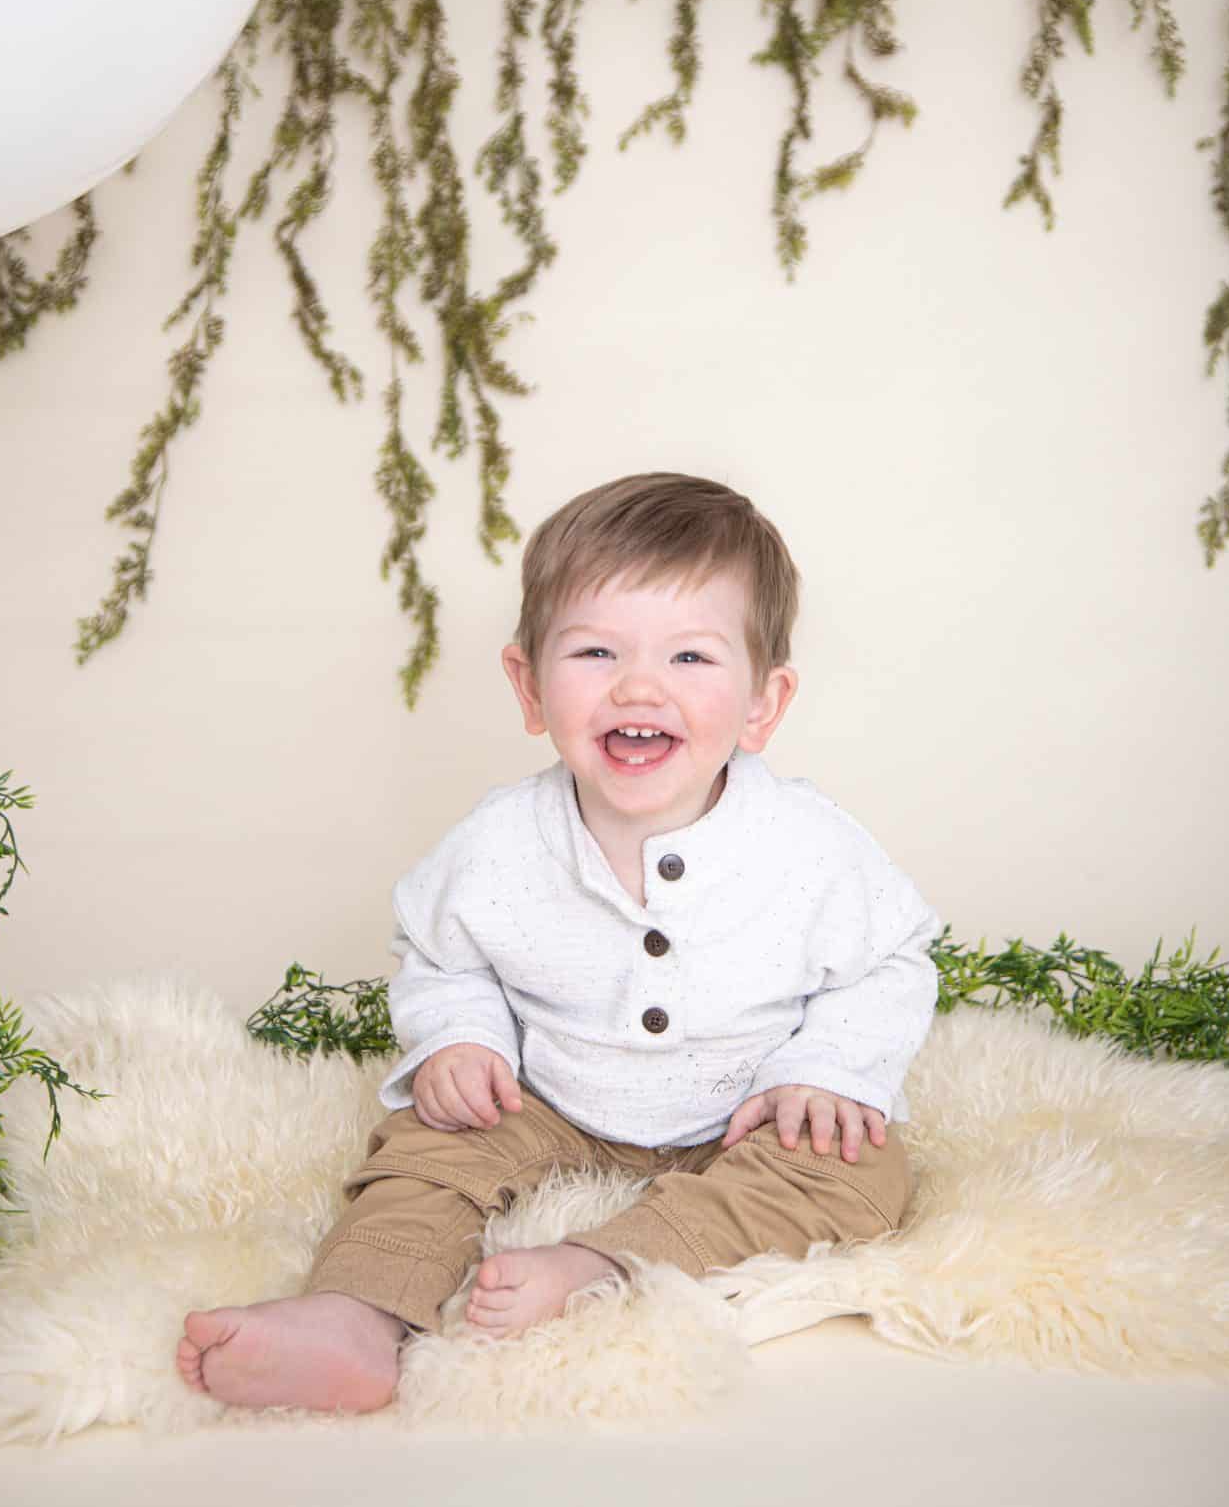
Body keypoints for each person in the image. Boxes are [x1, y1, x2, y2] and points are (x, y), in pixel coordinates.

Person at [177, 471, 942, 1413]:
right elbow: (442, 955)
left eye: (692, 659)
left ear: (763, 702)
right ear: (529, 684)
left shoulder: (810, 846)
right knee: (429, 1145)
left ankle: (605, 1263)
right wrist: (464, 1040)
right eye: (592, 651)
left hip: (752, 1106)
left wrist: (828, 1068)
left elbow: (892, 961)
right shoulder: (499, 843)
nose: (637, 685)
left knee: (858, 1169)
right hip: (548, 1097)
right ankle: (355, 1315)